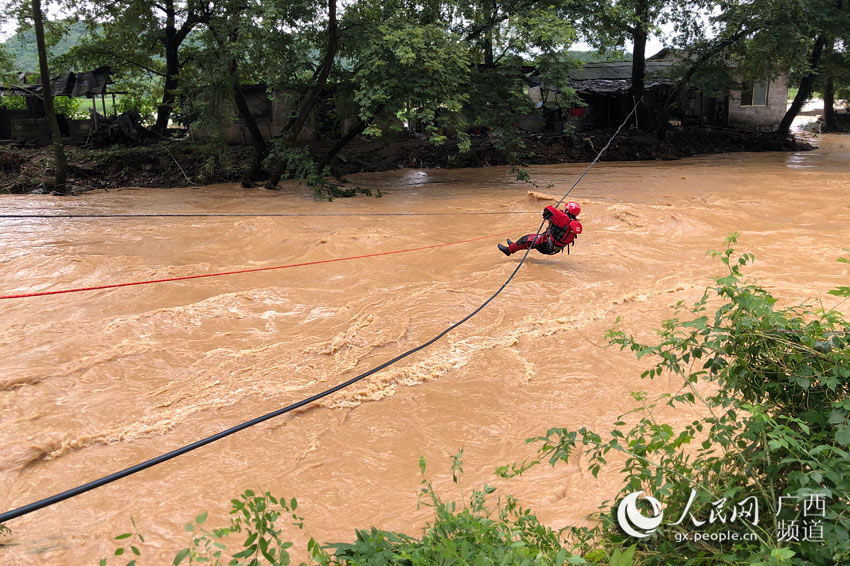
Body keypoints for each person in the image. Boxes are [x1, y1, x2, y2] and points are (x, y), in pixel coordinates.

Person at [498, 201, 582, 256]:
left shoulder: (563, 218)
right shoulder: (573, 223)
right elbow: (559, 222)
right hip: (554, 247)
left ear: (568, 211)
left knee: (525, 239)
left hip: (545, 245)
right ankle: (514, 245)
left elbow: (549, 208)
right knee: (528, 241)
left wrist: (548, 212)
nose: (564, 209)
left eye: (566, 209)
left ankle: (508, 250)